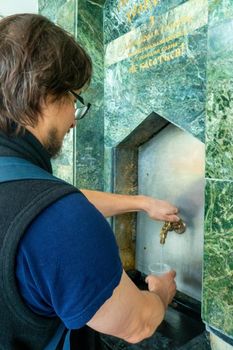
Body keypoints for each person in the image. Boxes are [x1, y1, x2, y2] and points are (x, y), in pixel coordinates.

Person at [0, 13, 178, 350]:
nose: (74, 122)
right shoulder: (60, 221)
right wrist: (160, 294)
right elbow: (138, 325)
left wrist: (143, 203)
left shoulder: (21, 188)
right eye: (73, 99)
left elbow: (42, 201)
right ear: (44, 95)